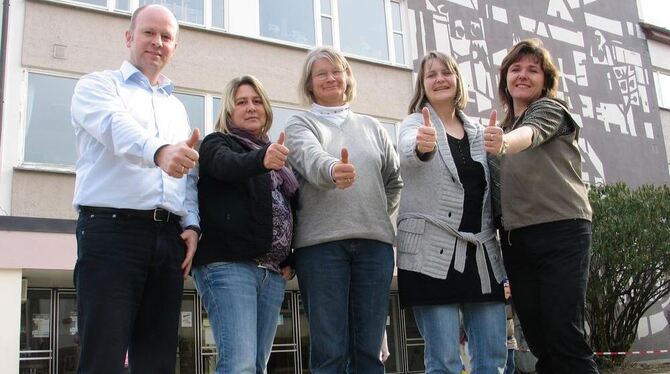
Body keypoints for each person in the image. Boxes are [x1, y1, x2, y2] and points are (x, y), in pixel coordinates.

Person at [70, 5, 200, 373]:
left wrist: (190, 223)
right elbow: (115, 126)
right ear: (129, 37)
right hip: (111, 233)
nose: (157, 42)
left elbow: (187, 173)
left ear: (175, 46)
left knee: (157, 360)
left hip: (167, 240)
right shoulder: (97, 86)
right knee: (103, 358)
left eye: (166, 37)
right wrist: (159, 151)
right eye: (149, 33)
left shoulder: (177, 108)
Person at [284, 46, 402, 373]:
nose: (331, 78)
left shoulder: (374, 127)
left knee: (368, 350)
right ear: (309, 84)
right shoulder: (299, 123)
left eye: (337, 71)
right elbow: (309, 157)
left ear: (348, 78)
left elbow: (394, 182)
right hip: (320, 247)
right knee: (329, 349)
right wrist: (334, 170)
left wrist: (374, 213)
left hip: (374, 247)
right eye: (321, 73)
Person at [484, 38, 598, 373]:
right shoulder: (500, 127)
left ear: (545, 80)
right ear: (505, 78)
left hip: (561, 231)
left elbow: (530, 134)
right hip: (515, 240)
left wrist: (503, 143)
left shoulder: (550, 110)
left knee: (565, 336)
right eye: (515, 69)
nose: (523, 75)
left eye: (533, 70)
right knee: (538, 341)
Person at [396, 50, 507, 373]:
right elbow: (406, 151)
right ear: (423, 84)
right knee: (443, 361)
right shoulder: (415, 123)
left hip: (482, 256)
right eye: (431, 74)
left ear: (457, 79)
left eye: (446, 72)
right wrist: (421, 145)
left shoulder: (476, 128)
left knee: (493, 358)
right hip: (429, 254)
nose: (440, 79)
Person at [191, 75, 298, 374]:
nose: (251, 108)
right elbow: (227, 167)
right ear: (228, 111)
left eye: (257, 101)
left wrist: (292, 257)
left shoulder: (278, 160)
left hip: (273, 273)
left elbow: (289, 211)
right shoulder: (216, 143)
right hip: (229, 265)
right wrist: (262, 159)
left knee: (256, 366)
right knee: (238, 364)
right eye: (241, 102)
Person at [503, 279, 518, 374]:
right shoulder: (500, 305)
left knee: (511, 365)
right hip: (502, 340)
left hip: (510, 340)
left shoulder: (511, 303)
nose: (508, 294)